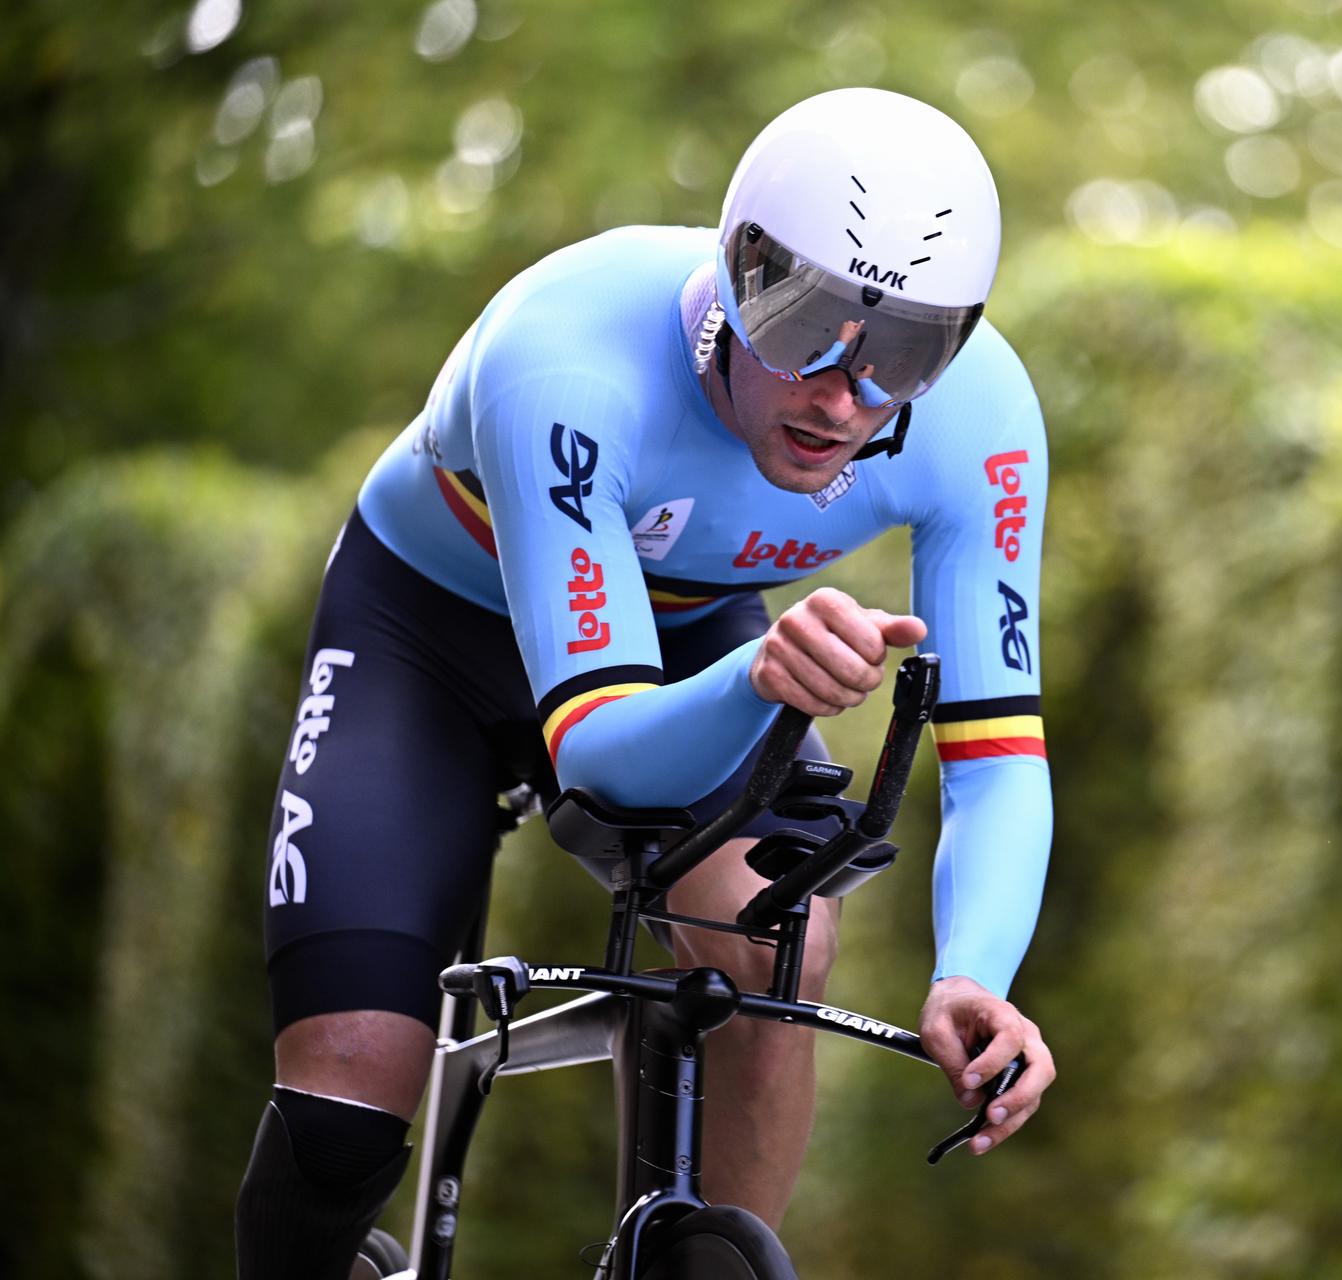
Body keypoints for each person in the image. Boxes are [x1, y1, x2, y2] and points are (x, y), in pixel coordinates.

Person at [235, 87, 1058, 1278]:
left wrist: (973, 971)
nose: (842, 391)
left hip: (679, 631)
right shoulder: (564, 350)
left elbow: (998, 756)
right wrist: (762, 680)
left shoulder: (982, 419)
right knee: (342, 1108)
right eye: (805, 323)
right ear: (736, 273)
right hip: (424, 636)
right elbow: (604, 750)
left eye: (904, 350)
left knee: (775, 942)